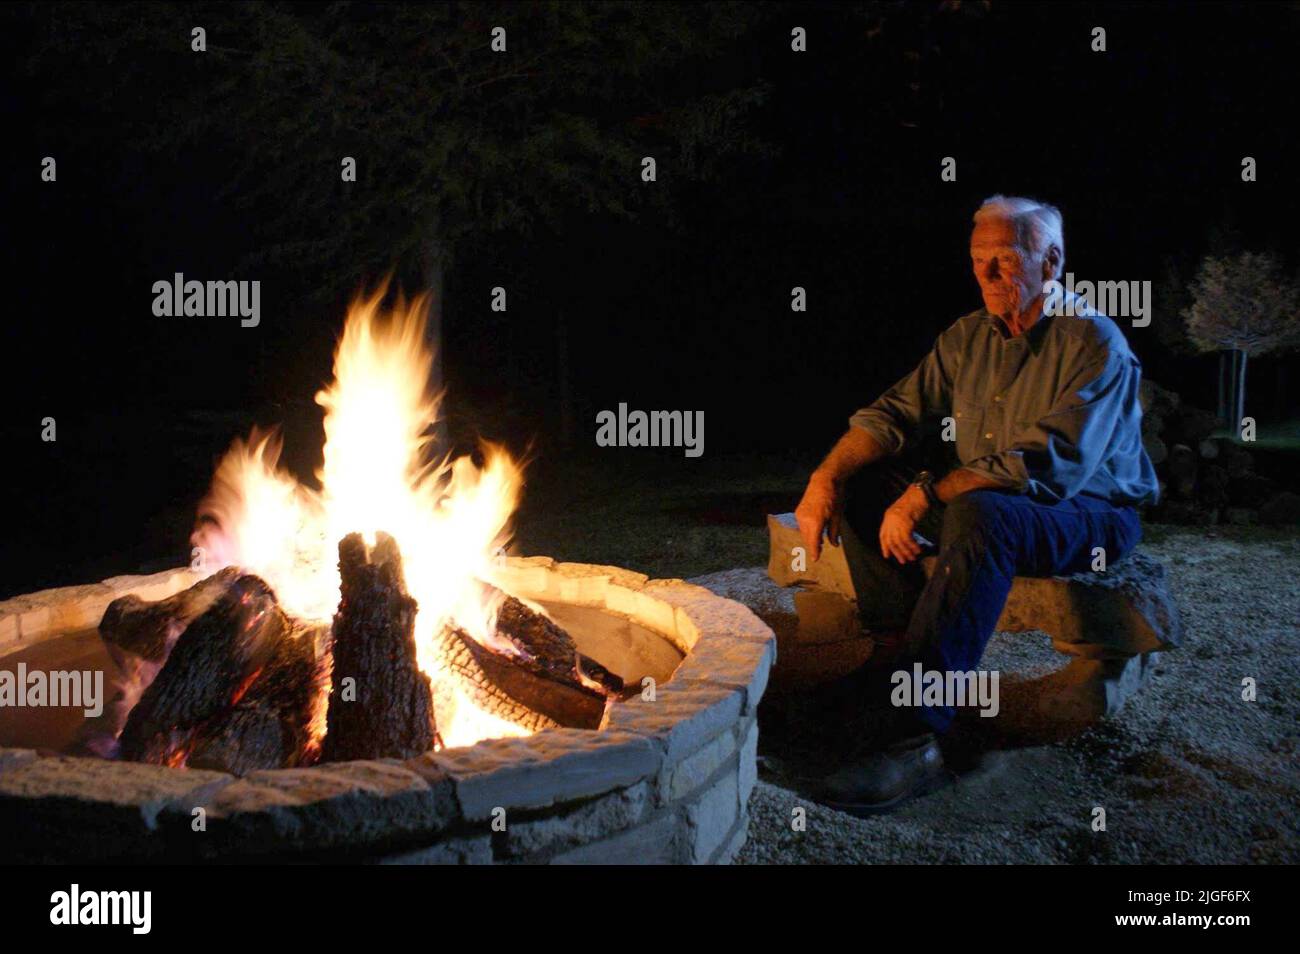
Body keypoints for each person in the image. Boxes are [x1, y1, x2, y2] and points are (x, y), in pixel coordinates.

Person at [793, 195, 1159, 814]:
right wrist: (823, 479)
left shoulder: (1094, 341)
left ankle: (915, 736)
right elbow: (891, 414)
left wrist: (925, 495)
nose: (987, 276)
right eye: (977, 260)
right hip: (993, 497)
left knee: (982, 513)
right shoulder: (968, 337)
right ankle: (892, 663)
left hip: (1090, 512)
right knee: (860, 483)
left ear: (1052, 261)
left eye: (1005, 259)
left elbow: (1044, 465)